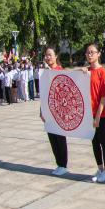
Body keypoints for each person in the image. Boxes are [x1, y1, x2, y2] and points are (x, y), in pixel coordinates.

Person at [82, 43, 105, 183]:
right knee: (94, 142)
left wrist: (98, 116)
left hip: (100, 115)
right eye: (88, 52)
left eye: (92, 52)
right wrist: (81, 71)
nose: (90, 55)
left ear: (99, 54)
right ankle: (99, 169)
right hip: (88, 114)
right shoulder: (86, 72)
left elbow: (104, 97)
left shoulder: (102, 72)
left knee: (103, 141)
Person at [39, 47, 70, 176]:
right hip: (48, 111)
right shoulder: (45, 73)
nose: (48, 57)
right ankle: (58, 164)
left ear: (56, 56)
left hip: (59, 111)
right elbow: (43, 94)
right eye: (46, 55)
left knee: (60, 138)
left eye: (50, 55)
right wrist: (41, 110)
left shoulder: (60, 71)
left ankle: (63, 164)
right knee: (52, 138)